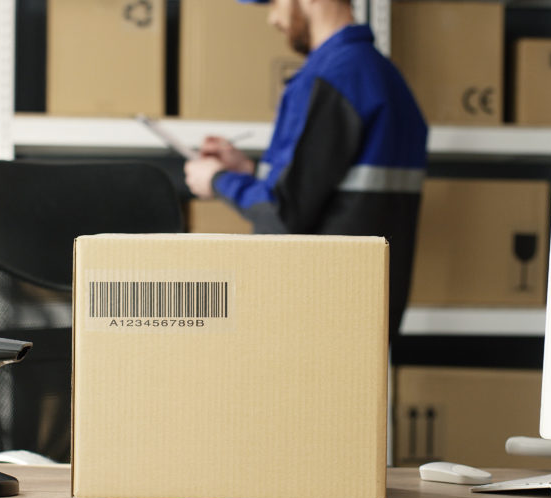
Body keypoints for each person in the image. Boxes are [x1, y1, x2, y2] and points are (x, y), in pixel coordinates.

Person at [183, 0, 428, 340]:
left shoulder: (331, 77)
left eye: (273, 2)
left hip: (314, 319)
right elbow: (326, 189)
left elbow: (284, 212)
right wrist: (247, 170)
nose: (272, 18)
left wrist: (218, 180)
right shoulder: (383, 76)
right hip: (360, 318)